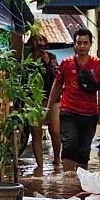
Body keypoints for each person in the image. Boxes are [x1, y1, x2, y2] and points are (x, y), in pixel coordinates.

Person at [47, 28, 100, 171]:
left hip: (90, 114)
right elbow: (57, 85)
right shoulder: (66, 63)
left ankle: (80, 183)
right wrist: (49, 107)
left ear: (90, 44)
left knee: (84, 150)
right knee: (69, 145)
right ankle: (68, 181)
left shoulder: (98, 64)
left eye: (85, 43)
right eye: (79, 43)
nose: (82, 46)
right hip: (69, 112)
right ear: (74, 44)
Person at [28, 34, 62, 168]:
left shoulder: (51, 56)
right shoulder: (27, 58)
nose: (39, 43)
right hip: (33, 100)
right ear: (31, 42)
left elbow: (58, 76)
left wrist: (48, 62)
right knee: (36, 132)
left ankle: (57, 159)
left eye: (41, 40)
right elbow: (23, 77)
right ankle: (40, 165)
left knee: (55, 130)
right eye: (36, 40)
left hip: (52, 99)